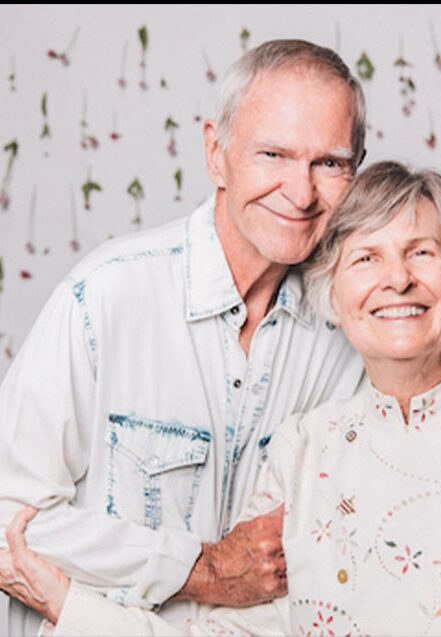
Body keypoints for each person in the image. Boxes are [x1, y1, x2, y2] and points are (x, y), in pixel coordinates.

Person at [3, 161, 441, 636]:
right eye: (366, 258)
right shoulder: (303, 453)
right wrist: (71, 608)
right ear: (332, 294)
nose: (397, 280)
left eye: (423, 252)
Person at [0, 39, 367, 635]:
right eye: (272, 154)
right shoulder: (106, 296)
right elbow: (6, 514)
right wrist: (203, 567)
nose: (301, 194)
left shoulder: (350, 341)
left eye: (329, 163)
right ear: (215, 153)